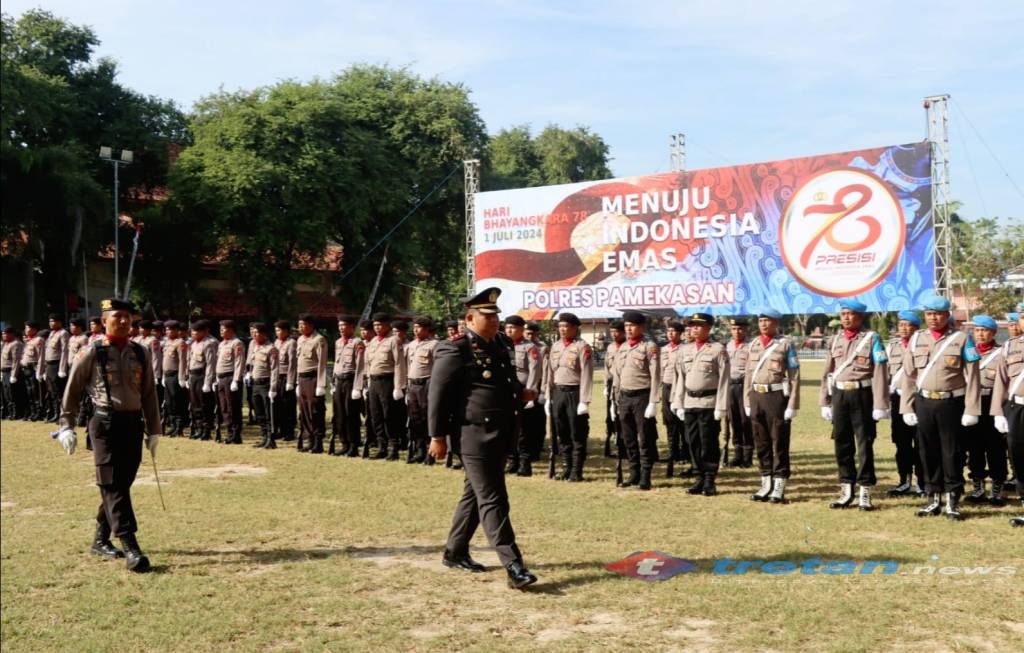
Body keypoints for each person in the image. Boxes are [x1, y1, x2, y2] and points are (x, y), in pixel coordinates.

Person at [426, 287, 539, 589]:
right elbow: (438, 395)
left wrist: (521, 392)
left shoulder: (501, 342)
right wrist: (437, 435)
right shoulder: (455, 349)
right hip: (473, 435)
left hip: (501, 430)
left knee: (475, 495)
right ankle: (514, 566)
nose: (494, 322)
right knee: (494, 498)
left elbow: (504, 380)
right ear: (469, 319)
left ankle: (455, 551)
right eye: (487, 317)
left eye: (496, 316)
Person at [56, 297, 162, 572]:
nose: (124, 321)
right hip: (104, 423)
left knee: (121, 483)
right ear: (104, 321)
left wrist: (154, 430)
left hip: (132, 424)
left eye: (127, 317)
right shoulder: (91, 351)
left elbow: (149, 393)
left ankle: (100, 539)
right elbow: (72, 390)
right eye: (117, 316)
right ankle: (130, 545)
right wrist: (66, 426)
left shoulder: (140, 352)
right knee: (112, 482)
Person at [899, 294, 982, 521]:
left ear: (947, 315)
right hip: (924, 402)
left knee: (952, 452)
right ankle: (933, 498)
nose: (933, 318)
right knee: (927, 451)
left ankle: (952, 499)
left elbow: (973, 377)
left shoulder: (962, 339)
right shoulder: (916, 339)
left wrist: (972, 409)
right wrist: (906, 408)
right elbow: (909, 376)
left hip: (951, 403)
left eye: (938, 314)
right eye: (929, 314)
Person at [818, 299, 890, 511]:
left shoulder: (871, 338)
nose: (846, 318)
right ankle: (846, 488)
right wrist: (824, 401)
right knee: (842, 442)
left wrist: (880, 403)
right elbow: (827, 372)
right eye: (843, 314)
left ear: (860, 316)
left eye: (851, 314)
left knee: (864, 443)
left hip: (862, 394)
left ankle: (865, 490)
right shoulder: (835, 340)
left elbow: (880, 371)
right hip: (839, 394)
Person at [744, 309, 800, 504]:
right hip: (756, 396)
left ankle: (779, 484)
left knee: (779, 442)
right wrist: (747, 400)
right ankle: (765, 482)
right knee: (761, 442)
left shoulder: (785, 344)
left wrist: (792, 404)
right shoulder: (753, 344)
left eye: (767, 321)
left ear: (776, 323)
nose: (763, 324)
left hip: (776, 397)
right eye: (761, 321)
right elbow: (748, 375)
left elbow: (794, 376)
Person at [670, 313, 730, 496]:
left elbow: (724, 380)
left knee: (708, 441)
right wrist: (678, 402)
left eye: (699, 325)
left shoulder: (717, 349)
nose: (694, 329)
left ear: (708, 328)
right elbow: (680, 378)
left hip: (708, 403)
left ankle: (710, 478)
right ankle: (698, 476)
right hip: (689, 402)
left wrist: (721, 406)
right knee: (692, 441)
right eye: (692, 326)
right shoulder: (684, 350)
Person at [542, 312, 594, 482]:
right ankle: (566, 467)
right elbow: (549, 373)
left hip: (575, 393)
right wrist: (548, 396)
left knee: (577, 432)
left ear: (575, 328)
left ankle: (576, 471)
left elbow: (587, 374)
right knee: (562, 432)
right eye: (560, 326)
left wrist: (584, 400)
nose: (563, 329)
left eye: (566, 326)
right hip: (558, 393)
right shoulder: (555, 346)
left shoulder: (582, 347)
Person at [613, 311, 660, 490]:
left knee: (645, 438)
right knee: (628, 438)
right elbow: (617, 375)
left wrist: (653, 402)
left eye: (632, 325)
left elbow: (656, 376)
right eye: (626, 326)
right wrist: (615, 398)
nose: (628, 329)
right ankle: (634, 473)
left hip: (642, 397)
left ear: (641, 327)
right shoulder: (623, 347)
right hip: (625, 397)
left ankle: (646, 475)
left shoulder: (649, 346)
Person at [964, 316, 1008, 505]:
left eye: (985, 330)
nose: (980, 334)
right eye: (977, 330)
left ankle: (997, 487)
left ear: (993, 333)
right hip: (971, 402)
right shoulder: (967, 351)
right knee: (974, 446)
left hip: (992, 401)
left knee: (996, 447)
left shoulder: (1001, 353)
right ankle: (978, 486)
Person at [886, 311, 925, 497]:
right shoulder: (892, 347)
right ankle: (904, 480)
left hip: (919, 400)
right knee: (901, 442)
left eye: (908, 325)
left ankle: (922, 482)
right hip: (898, 399)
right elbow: (885, 373)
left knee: (921, 443)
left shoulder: (923, 345)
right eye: (901, 324)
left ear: (916, 328)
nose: (903, 328)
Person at [991, 307, 1024, 527]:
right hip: (1017, 407)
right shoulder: (1009, 346)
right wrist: (998, 413)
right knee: (1019, 456)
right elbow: (1001, 382)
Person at [364, 313, 407, 460]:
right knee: (375, 415)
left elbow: (399, 364)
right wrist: (367, 384)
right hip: (374, 382)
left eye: (380, 324)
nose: (377, 327)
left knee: (389, 415)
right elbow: (368, 364)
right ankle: (381, 446)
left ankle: (393, 447)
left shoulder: (394, 340)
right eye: (375, 325)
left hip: (387, 381)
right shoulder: (373, 341)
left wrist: (398, 386)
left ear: (387, 325)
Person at [503, 315, 539, 475]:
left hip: (523, 391)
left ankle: (525, 463)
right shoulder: (502, 345)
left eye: (512, 327)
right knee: (508, 427)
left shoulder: (529, 347)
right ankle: (512, 460)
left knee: (524, 429)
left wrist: (530, 391)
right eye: (507, 327)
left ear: (521, 329)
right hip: (507, 392)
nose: (509, 330)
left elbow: (534, 370)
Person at [405, 316, 438, 463]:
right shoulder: (411, 345)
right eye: (414, 327)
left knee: (426, 418)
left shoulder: (434, 344)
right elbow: (408, 366)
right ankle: (420, 450)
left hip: (426, 384)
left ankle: (430, 453)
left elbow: (437, 368)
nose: (415, 330)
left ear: (426, 329)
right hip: (412, 385)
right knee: (415, 419)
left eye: (419, 327)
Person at [331, 315, 365, 456]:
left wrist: (357, 387)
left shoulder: (357, 342)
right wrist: (333, 382)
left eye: (343, 325)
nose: (341, 328)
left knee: (351, 414)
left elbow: (360, 367)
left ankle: (353, 445)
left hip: (350, 381)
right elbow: (336, 363)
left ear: (351, 327)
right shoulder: (338, 342)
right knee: (339, 414)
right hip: (339, 381)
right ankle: (344, 443)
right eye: (339, 325)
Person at [295, 314, 328, 453]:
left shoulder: (319, 339)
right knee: (304, 411)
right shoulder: (300, 339)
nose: (300, 327)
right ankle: (309, 439)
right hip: (302, 379)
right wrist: (297, 382)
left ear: (311, 325)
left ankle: (318, 441)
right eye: (299, 324)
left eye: (303, 324)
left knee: (315, 410)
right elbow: (298, 362)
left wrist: (321, 384)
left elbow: (322, 363)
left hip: (313, 379)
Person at [725, 317, 754, 467]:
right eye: (734, 329)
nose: (737, 332)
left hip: (744, 386)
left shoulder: (751, 346)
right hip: (730, 386)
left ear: (746, 329)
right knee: (733, 420)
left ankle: (748, 456)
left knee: (745, 420)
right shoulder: (727, 346)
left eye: (740, 329)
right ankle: (737, 454)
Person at [660, 320, 686, 477]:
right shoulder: (663, 350)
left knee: (682, 421)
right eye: (668, 331)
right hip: (667, 387)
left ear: (680, 334)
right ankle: (672, 451)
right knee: (669, 420)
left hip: (680, 388)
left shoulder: (685, 349)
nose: (670, 333)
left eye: (674, 331)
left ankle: (685, 452)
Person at [248, 322, 279, 448]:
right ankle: (264, 436)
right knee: (259, 412)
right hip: (255, 384)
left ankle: (271, 439)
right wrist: (249, 374)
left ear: (264, 334)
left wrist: (273, 388)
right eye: (253, 332)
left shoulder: (270, 349)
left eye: (257, 332)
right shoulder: (255, 347)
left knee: (268, 413)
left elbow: (275, 370)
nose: (254, 335)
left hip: (266, 384)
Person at [215, 320, 246, 444]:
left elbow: (239, 362)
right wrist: (216, 376)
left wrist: (236, 380)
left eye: (223, 329)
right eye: (220, 329)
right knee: (224, 407)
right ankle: (229, 432)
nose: (221, 331)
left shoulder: (237, 343)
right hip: (221, 378)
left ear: (231, 330)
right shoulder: (222, 344)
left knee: (233, 406)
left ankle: (236, 434)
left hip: (230, 378)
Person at [522, 321, 548, 470]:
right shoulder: (519, 346)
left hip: (537, 388)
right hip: (523, 389)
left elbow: (545, 370)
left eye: (533, 334)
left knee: (538, 421)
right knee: (524, 422)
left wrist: (543, 391)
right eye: (527, 333)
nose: (530, 336)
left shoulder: (542, 348)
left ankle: (536, 449)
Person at [187, 320, 218, 440]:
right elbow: (189, 361)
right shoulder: (193, 344)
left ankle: (206, 429)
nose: (193, 333)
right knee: (195, 403)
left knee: (204, 404)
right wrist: (187, 376)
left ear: (203, 332)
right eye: (192, 331)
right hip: (193, 375)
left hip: (202, 375)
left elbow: (210, 364)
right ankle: (198, 428)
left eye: (195, 331)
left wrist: (208, 382)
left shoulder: (208, 344)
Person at [159, 320, 189, 436]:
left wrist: (181, 378)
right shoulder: (167, 343)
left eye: (170, 330)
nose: (168, 332)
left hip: (175, 375)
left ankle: (179, 426)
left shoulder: (180, 343)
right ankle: (173, 425)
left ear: (176, 331)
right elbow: (164, 361)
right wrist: (163, 376)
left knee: (177, 401)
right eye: (166, 330)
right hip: (167, 375)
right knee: (169, 402)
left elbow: (182, 361)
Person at [272, 320, 297, 442]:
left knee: (288, 405)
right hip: (277, 377)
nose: (277, 333)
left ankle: (289, 431)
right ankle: (281, 430)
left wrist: (290, 381)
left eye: (279, 330)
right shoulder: (276, 342)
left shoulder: (291, 343)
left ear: (286, 331)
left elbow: (292, 363)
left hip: (286, 377)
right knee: (278, 404)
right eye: (276, 330)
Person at [43, 314, 71, 422]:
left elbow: (65, 351)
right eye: (50, 321)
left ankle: (61, 414)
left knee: (58, 390)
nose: (51, 323)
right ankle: (55, 413)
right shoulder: (51, 333)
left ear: (59, 322)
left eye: (53, 321)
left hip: (57, 364)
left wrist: (62, 368)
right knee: (51, 391)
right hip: (49, 365)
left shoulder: (63, 333)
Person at [19, 321, 45, 421]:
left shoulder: (39, 340)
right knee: (29, 392)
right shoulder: (28, 340)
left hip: (33, 368)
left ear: (34, 329)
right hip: (26, 369)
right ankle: (33, 411)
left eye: (28, 328)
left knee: (35, 392)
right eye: (25, 328)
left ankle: (39, 412)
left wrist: (40, 371)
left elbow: (41, 357)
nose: (26, 330)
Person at [2, 327, 25, 420]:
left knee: (13, 393)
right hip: (4, 371)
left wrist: (14, 375)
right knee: (6, 393)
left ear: (12, 334)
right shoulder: (5, 344)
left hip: (11, 371)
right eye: (3, 333)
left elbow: (16, 360)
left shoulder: (16, 344)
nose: (4, 335)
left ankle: (16, 413)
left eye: (6, 333)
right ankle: (10, 412)